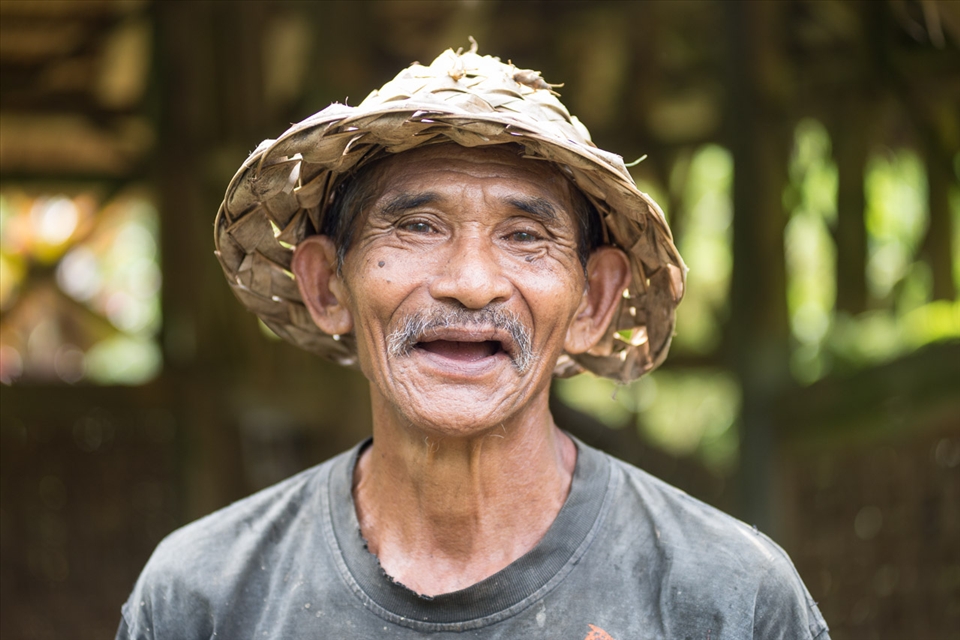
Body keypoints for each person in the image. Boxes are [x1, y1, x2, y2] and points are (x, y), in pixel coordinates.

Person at [117, 43, 829, 639]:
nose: (471, 282)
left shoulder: (728, 600)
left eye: (526, 236)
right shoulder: (203, 599)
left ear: (595, 301)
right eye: (417, 227)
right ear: (329, 285)